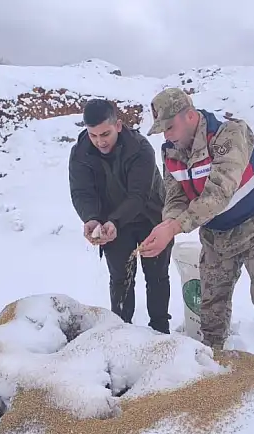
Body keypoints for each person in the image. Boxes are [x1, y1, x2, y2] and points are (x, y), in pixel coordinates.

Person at [139, 88, 254, 367]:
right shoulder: (171, 150)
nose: (167, 136)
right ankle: (213, 362)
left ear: (189, 116)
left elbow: (219, 192)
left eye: (170, 127)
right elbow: (175, 195)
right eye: (162, 130)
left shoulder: (229, 134)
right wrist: (166, 224)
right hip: (216, 233)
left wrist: (175, 227)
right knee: (210, 302)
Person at [68, 98, 173, 334]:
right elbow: (81, 192)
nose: (99, 141)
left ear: (118, 125)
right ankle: (121, 331)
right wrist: (91, 218)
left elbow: (139, 195)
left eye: (105, 133)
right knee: (120, 279)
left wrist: (114, 221)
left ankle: (160, 330)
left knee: (157, 276)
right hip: (110, 223)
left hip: (150, 217)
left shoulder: (140, 148)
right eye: (93, 135)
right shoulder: (81, 153)